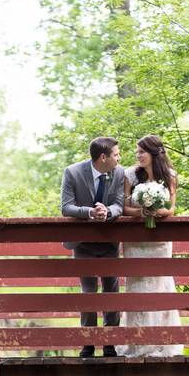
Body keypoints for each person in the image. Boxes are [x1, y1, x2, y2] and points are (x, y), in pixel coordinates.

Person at [118, 135, 184, 357]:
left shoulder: (170, 176)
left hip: (159, 242)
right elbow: (125, 207)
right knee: (136, 286)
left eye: (141, 152)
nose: (137, 156)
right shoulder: (130, 175)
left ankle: (162, 341)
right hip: (136, 241)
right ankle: (137, 343)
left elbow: (171, 209)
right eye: (136, 152)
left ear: (154, 154)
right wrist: (141, 212)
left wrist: (156, 211)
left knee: (160, 285)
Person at [60, 136, 126, 358]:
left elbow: (119, 204)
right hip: (82, 242)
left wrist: (108, 212)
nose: (119, 158)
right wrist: (89, 212)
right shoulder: (73, 172)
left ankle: (110, 343)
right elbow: (66, 207)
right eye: (116, 154)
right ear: (103, 157)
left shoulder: (119, 172)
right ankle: (88, 343)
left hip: (108, 240)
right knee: (88, 293)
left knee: (112, 291)